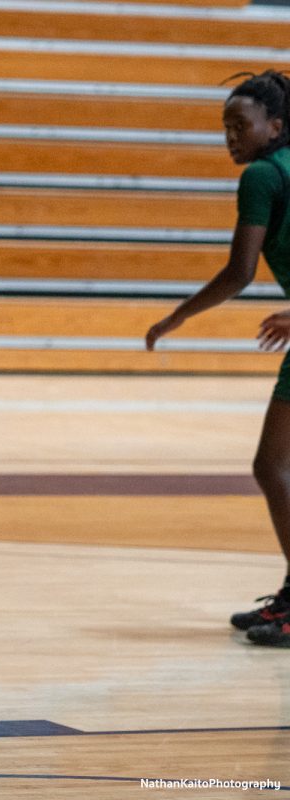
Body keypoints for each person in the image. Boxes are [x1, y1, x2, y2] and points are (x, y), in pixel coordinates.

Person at [146, 69, 290, 648]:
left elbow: (240, 271)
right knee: (272, 466)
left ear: (275, 127)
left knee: (273, 466)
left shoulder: (262, 175)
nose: (232, 137)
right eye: (225, 127)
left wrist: (177, 316)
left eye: (241, 125)